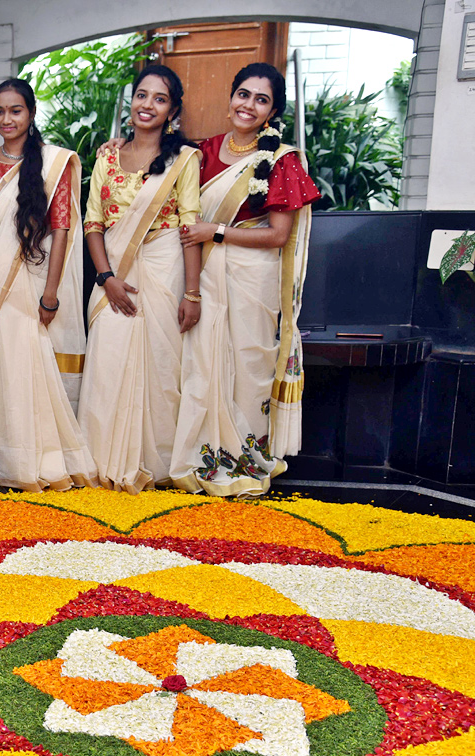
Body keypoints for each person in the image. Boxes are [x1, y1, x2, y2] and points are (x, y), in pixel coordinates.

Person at [170, 63, 318, 495]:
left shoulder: (281, 159)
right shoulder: (204, 152)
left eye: (261, 99)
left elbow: (278, 234)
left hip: (254, 274)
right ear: (230, 96)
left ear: (272, 110)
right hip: (206, 274)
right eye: (243, 94)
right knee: (203, 361)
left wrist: (213, 232)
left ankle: (248, 460)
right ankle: (203, 456)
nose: (248, 105)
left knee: (250, 361)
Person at [80, 65, 202, 493]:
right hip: (114, 269)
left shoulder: (185, 159)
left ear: (172, 110)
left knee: (161, 366)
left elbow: (191, 226)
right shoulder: (107, 156)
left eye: (159, 98)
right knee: (108, 360)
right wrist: (107, 277)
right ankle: (100, 460)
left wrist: (192, 292)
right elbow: (92, 222)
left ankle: (157, 463)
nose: (147, 105)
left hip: (165, 266)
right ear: (131, 101)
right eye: (142, 96)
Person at [0, 78, 97, 492]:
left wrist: (51, 293)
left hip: (33, 282)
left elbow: (62, 230)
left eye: (16, 110)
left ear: (30, 114)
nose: (7, 119)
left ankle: (39, 461)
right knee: (6, 371)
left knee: (31, 367)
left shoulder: (54, 162)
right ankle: (9, 460)